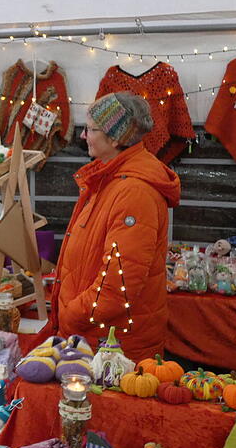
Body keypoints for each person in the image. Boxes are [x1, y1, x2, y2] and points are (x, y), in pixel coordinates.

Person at [52, 92, 180, 361]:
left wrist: (72, 314)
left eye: (90, 129)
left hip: (112, 347)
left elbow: (118, 284)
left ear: (115, 137)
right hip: (95, 336)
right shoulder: (109, 179)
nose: (84, 136)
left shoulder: (134, 191)